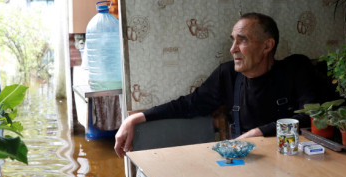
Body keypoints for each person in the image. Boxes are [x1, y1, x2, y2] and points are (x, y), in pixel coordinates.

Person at [114, 12, 324, 158]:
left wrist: (255, 133)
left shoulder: (296, 68)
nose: (233, 49)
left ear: (267, 45)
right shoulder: (227, 75)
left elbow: (311, 115)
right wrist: (135, 119)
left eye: (242, 41)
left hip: (292, 163)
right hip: (248, 165)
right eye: (232, 40)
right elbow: (188, 105)